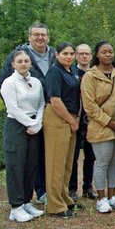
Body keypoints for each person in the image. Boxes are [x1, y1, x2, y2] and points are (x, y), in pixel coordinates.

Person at [0, 22, 56, 204]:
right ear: (29, 37)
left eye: (43, 35)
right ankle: (25, 200)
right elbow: (2, 84)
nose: (40, 38)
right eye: (36, 34)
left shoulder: (54, 54)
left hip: (49, 113)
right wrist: (27, 120)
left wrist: (38, 119)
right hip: (21, 120)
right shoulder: (18, 56)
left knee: (40, 157)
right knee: (21, 163)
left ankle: (42, 193)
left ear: (48, 37)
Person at [81, 41, 115, 214]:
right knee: (102, 163)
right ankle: (101, 199)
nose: (108, 54)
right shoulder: (90, 76)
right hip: (101, 127)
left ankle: (112, 196)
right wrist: (110, 122)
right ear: (97, 55)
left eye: (110, 51)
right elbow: (89, 106)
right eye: (104, 52)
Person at [0, 50, 46, 222]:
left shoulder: (36, 82)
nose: (23, 63)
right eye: (19, 61)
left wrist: (38, 123)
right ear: (13, 64)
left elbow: (41, 103)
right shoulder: (9, 83)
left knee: (30, 166)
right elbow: (12, 108)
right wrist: (31, 124)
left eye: (26, 60)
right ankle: (16, 207)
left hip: (34, 126)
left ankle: (26, 202)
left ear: (30, 63)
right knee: (16, 167)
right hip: (17, 126)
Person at [43, 42, 85, 218]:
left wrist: (76, 119)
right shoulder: (55, 72)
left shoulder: (73, 71)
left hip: (71, 119)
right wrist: (71, 121)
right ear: (57, 55)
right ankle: (55, 206)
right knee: (55, 164)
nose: (68, 56)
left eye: (71, 53)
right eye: (64, 53)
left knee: (67, 163)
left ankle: (64, 197)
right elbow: (55, 100)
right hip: (58, 117)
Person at [69, 43, 96, 201]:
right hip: (75, 119)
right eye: (81, 54)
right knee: (73, 156)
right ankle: (72, 188)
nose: (84, 56)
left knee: (91, 156)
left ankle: (87, 187)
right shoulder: (71, 73)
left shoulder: (94, 73)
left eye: (87, 54)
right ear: (76, 56)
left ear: (91, 56)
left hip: (91, 120)